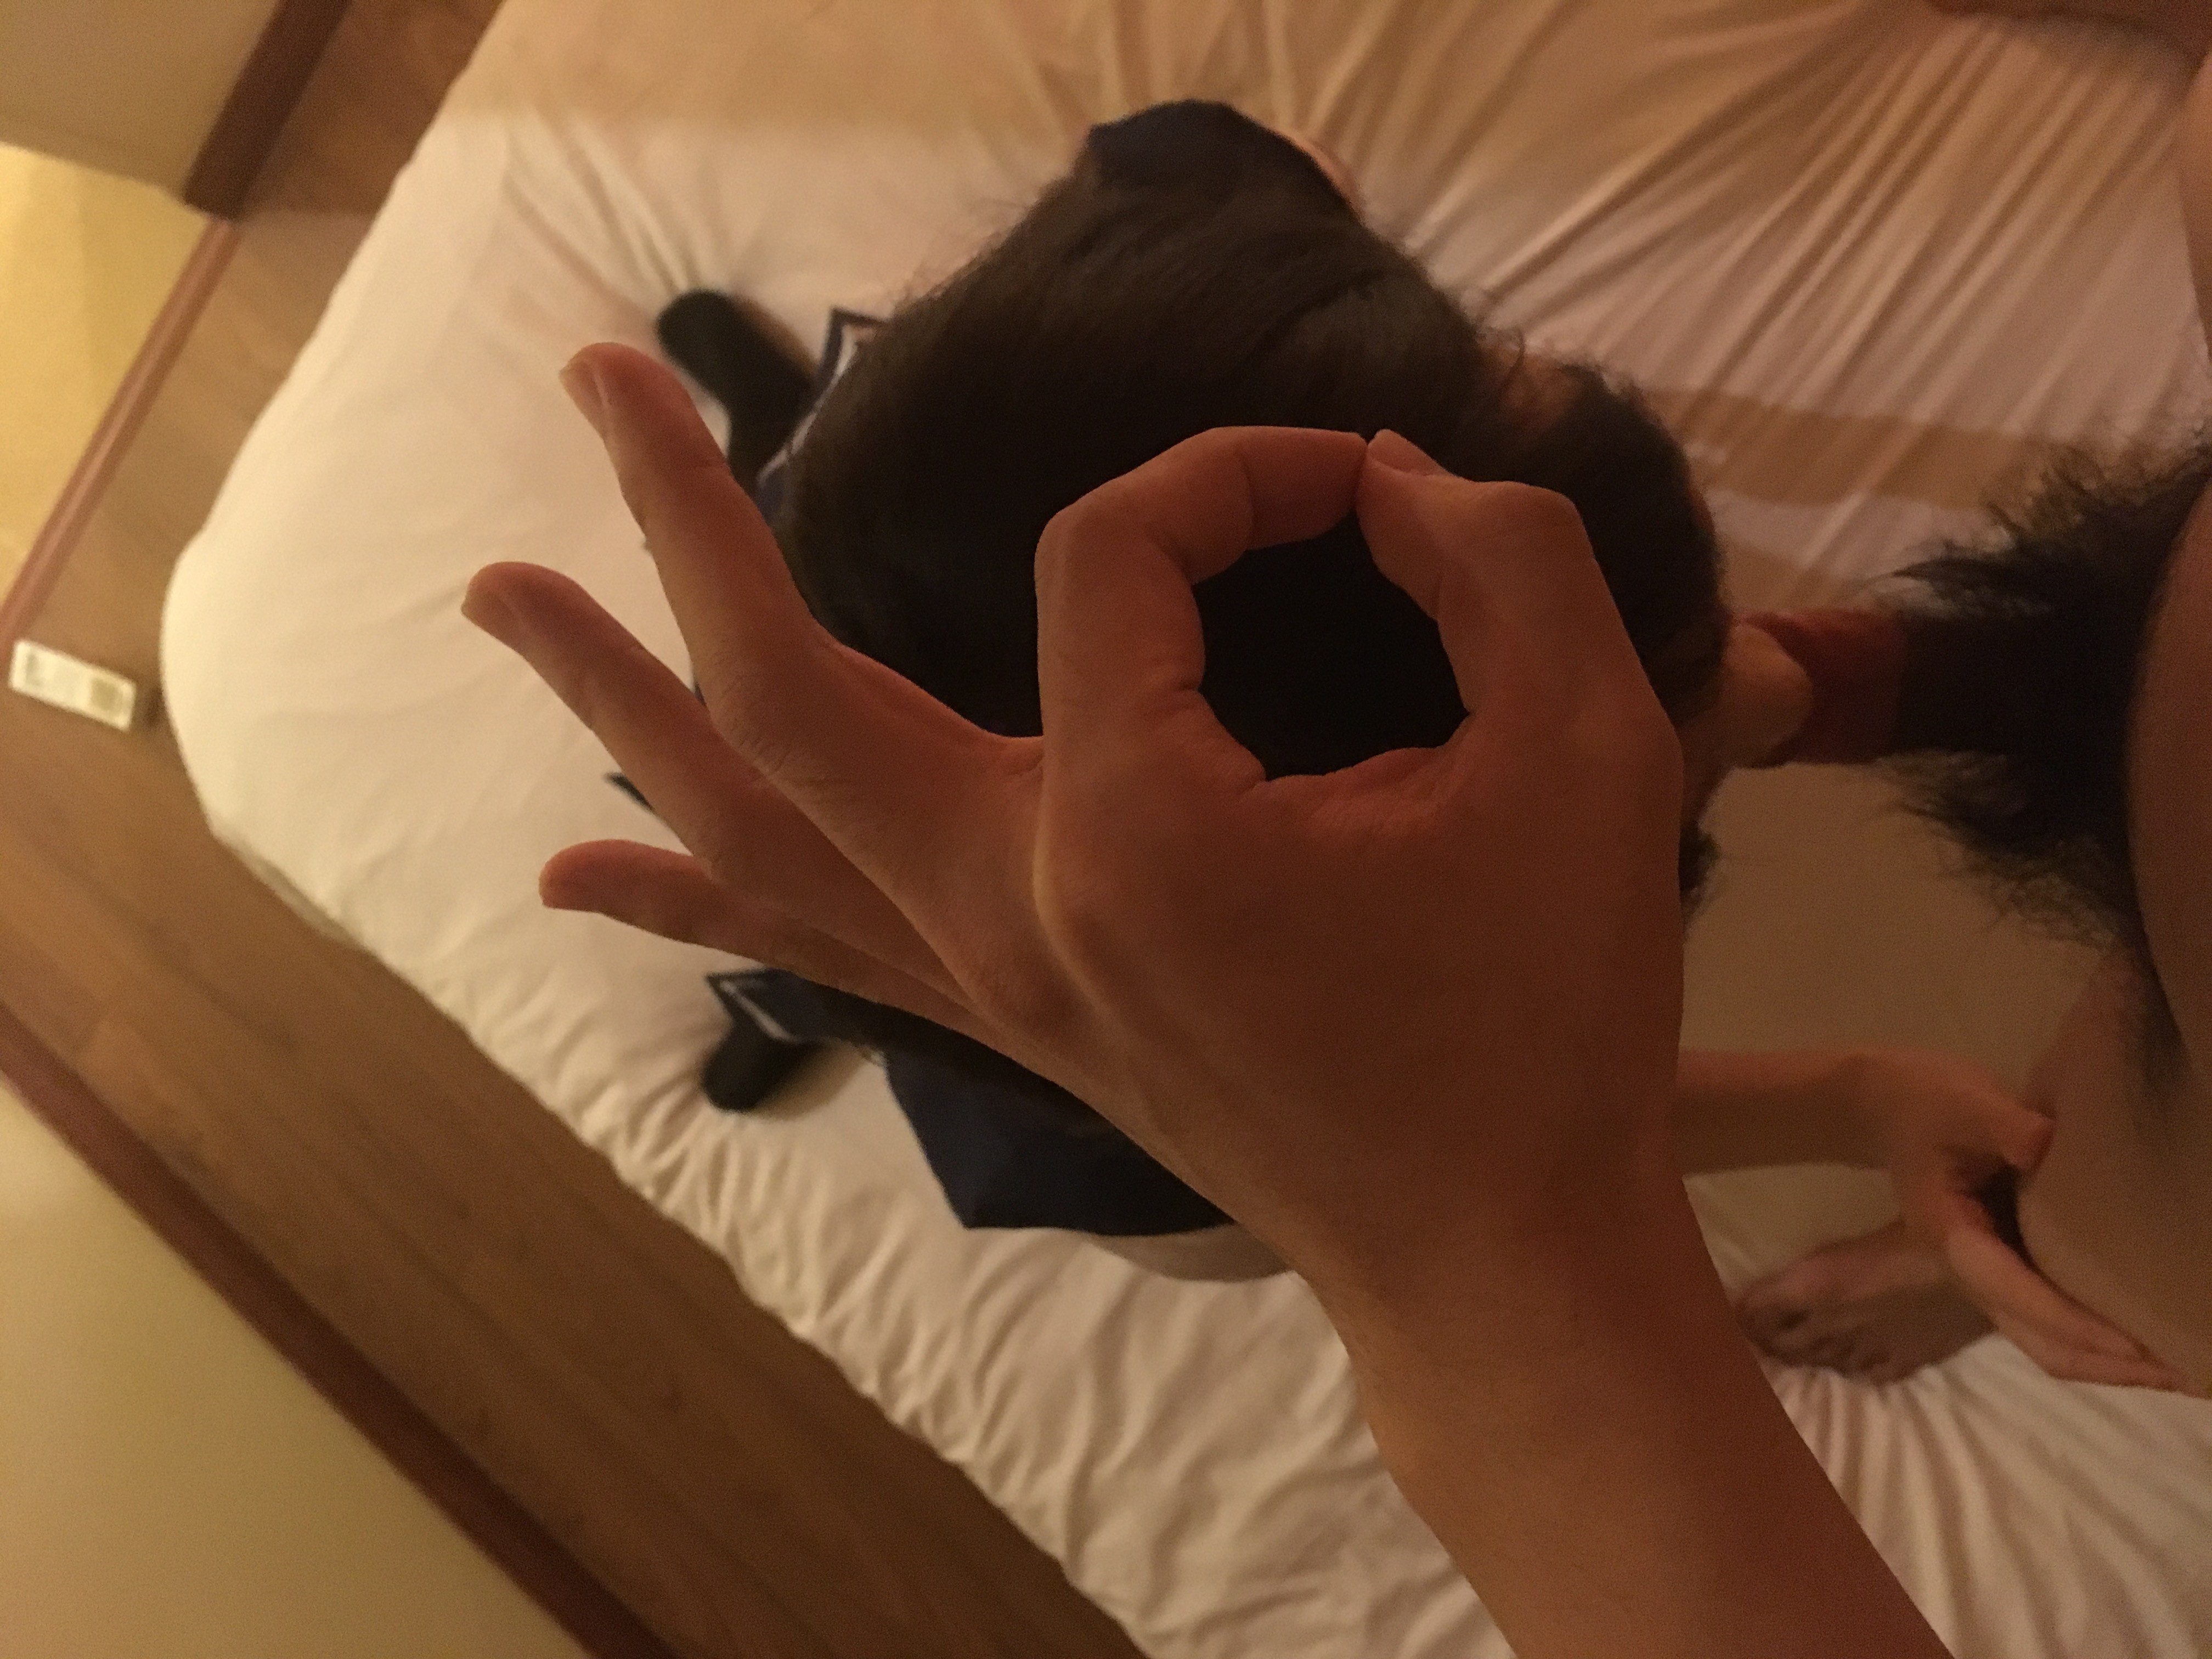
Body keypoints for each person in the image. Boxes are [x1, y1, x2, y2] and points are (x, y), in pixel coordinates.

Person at [644, 99, 2085, 1312]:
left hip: (865, 584)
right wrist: (1846, 1091)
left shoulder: (1190, 228)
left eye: (1490, 367)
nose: (1547, 365)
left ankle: (778, 447)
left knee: (780, 680)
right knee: (808, 885)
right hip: (924, 856)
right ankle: (814, 990)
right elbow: (1514, 1128)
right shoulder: (1204, 1185)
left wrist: (1861, 1086)